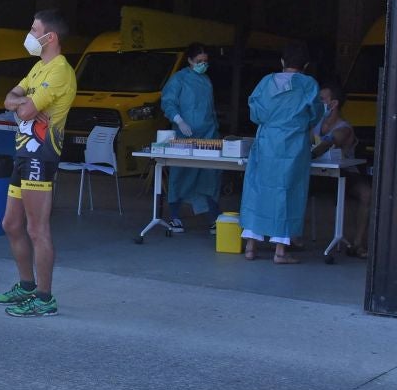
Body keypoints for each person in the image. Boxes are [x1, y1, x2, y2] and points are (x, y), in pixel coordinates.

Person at [0, 9, 76, 318]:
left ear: (49, 37)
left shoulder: (59, 72)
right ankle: (26, 286)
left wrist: (23, 106)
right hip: (24, 153)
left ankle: (44, 298)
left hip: (42, 155)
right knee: (11, 224)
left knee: (37, 228)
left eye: (33, 29)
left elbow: (26, 112)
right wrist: (20, 104)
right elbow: (10, 99)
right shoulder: (38, 69)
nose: (28, 34)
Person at [240, 42, 325, 263]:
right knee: (287, 192)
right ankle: (280, 251)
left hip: (266, 141)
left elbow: (255, 112)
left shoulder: (266, 82)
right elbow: (315, 113)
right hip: (293, 145)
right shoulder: (308, 85)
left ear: (282, 62)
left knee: (257, 190)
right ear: (305, 65)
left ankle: (250, 247)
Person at [159, 43, 221, 232]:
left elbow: (208, 109)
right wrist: (179, 121)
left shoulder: (206, 80)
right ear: (189, 61)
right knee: (181, 174)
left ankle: (214, 218)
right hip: (184, 136)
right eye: (199, 61)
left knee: (209, 175)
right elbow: (168, 102)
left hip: (208, 135)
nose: (203, 64)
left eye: (205, 61)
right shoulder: (179, 79)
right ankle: (175, 217)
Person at [312, 83, 373, 259]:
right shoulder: (315, 124)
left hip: (344, 174)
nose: (317, 103)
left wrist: (312, 149)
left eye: (321, 100)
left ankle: (358, 244)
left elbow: (331, 141)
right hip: (316, 173)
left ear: (333, 104)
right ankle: (289, 240)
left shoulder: (344, 127)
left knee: (367, 194)